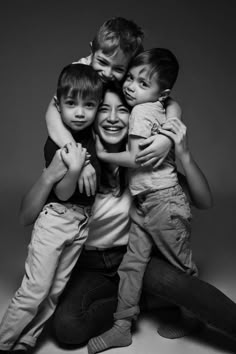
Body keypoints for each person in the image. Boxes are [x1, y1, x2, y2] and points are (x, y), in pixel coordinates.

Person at [20, 85, 236, 351]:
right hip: (89, 266)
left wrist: (185, 156)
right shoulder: (77, 161)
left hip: (132, 257)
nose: (113, 118)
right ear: (93, 115)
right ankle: (142, 302)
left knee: (173, 282)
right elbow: (26, 215)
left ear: (133, 116)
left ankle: (151, 296)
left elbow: (204, 201)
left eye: (122, 110)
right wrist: (49, 175)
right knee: (67, 328)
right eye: (103, 109)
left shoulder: (141, 162)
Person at [87, 48, 199, 353]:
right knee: (132, 265)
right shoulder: (159, 107)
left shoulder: (140, 111)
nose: (131, 86)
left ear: (160, 93)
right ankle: (121, 328)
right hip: (145, 203)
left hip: (164, 202)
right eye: (132, 78)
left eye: (141, 83)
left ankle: (192, 316)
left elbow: (136, 159)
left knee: (181, 267)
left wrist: (104, 154)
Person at [0, 63, 103, 353]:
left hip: (82, 223)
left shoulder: (89, 134)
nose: (80, 112)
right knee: (34, 290)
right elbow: (63, 192)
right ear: (58, 105)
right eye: (71, 104)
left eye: (89, 105)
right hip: (55, 220)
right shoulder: (57, 145)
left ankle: (26, 340)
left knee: (55, 291)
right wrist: (74, 168)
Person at [45, 17, 181, 171]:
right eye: (102, 62)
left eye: (118, 69)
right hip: (83, 144)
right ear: (92, 50)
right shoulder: (80, 70)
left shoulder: (132, 79)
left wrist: (167, 137)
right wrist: (78, 159)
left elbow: (170, 103)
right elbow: (52, 114)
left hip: (119, 147)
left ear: (130, 65)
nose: (107, 73)